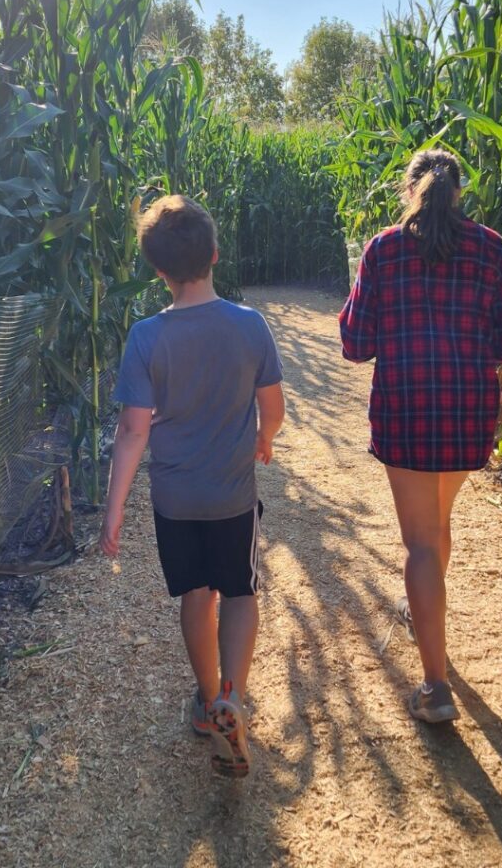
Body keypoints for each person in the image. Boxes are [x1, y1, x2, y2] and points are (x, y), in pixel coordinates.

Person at [339, 149, 502, 724]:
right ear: (459, 191)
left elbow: (355, 345)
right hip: (466, 411)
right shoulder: (491, 247)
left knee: (421, 543)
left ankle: (434, 686)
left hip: (406, 411)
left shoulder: (383, 249)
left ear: (409, 190)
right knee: (437, 526)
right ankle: (429, 613)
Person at [100, 195, 285, 777]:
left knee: (195, 596)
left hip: (176, 503)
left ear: (158, 270)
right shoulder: (250, 326)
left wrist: (113, 510)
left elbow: (133, 431)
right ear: (215, 253)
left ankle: (207, 704)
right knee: (239, 592)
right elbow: (273, 407)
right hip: (232, 498)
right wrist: (265, 439)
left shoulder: (146, 337)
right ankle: (233, 691)